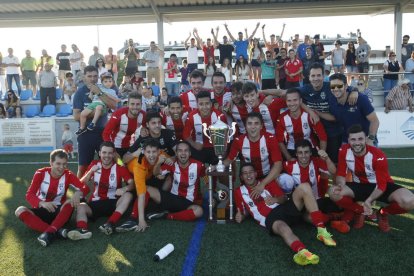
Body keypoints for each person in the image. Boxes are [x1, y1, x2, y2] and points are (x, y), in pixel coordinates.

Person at [235, 163, 336, 266]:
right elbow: (244, 210)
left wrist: (275, 199)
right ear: (241, 177)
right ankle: (303, 252)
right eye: (245, 173)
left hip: (282, 208)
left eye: (251, 172)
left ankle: (322, 230)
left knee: (305, 186)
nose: (248, 175)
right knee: (283, 227)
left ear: (256, 174)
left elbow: (283, 198)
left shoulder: (267, 182)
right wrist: (241, 216)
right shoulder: (239, 192)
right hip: (269, 218)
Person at [329, 124, 414, 232]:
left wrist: (368, 201)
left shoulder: (378, 155)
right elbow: (341, 173)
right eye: (353, 139)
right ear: (349, 140)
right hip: (359, 185)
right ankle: (360, 211)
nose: (357, 142)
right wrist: (340, 185)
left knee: (410, 201)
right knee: (333, 192)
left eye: (360, 139)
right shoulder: (343, 150)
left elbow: (381, 185)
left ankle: (383, 213)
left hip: (382, 186)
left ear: (366, 139)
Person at [15, 149, 89, 247]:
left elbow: (85, 188)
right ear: (51, 163)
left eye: (64, 164)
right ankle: (57, 231)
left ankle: (49, 232)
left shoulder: (68, 175)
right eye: (58, 163)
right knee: (19, 210)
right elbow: (29, 194)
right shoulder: (40, 173)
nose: (61, 167)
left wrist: (78, 192)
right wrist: (42, 203)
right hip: (42, 210)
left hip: (60, 213)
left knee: (69, 203)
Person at [67, 142, 134, 240]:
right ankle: (82, 230)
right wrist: (90, 172)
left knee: (128, 195)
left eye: (110, 153)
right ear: (99, 153)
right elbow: (80, 183)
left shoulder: (119, 167)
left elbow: (132, 183)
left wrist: (125, 188)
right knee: (81, 207)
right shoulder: (94, 164)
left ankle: (110, 223)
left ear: (113, 154)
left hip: (114, 203)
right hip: (96, 202)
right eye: (104, 152)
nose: (106, 156)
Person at [73, 65, 119, 178]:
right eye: (89, 76)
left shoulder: (103, 88)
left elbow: (114, 106)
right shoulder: (79, 93)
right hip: (85, 134)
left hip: (102, 133)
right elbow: (76, 116)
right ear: (84, 77)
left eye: (95, 76)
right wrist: (95, 114)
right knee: (83, 166)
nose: (92, 79)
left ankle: (108, 190)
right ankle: (80, 193)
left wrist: (99, 93)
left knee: (109, 163)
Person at [116, 139, 168, 232]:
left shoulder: (161, 154)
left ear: (159, 151)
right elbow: (141, 194)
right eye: (148, 152)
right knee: (141, 193)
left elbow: (171, 161)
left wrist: (169, 159)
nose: (151, 155)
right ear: (143, 152)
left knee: (168, 178)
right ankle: (133, 218)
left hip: (149, 176)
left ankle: (160, 206)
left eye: (154, 152)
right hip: (135, 178)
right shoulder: (139, 164)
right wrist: (141, 220)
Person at [145, 140, 204, 221]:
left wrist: (211, 195)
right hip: (172, 198)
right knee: (145, 188)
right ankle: (133, 218)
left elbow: (206, 177)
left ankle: (167, 216)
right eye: (180, 150)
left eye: (186, 150)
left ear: (190, 153)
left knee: (199, 211)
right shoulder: (172, 163)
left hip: (188, 202)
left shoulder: (198, 165)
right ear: (176, 153)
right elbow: (156, 173)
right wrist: (158, 163)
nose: (183, 153)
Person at [224, 112, 283, 194]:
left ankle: (286, 199)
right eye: (249, 124)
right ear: (245, 126)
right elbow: (230, 159)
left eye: (256, 123)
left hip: (268, 175)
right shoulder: (239, 141)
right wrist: (216, 166)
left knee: (285, 180)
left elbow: (278, 165)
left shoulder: (270, 139)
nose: (253, 127)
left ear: (261, 126)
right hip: (250, 178)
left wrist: (262, 184)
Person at [276, 88, 327, 161]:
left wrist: (322, 154)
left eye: (295, 100)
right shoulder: (281, 118)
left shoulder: (310, 116)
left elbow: (323, 137)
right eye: (289, 101)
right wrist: (289, 158)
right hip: (291, 149)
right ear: (286, 102)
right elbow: (280, 141)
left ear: (300, 101)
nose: (292, 103)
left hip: (310, 147)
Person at [329, 73, 379, 146]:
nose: (336, 89)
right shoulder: (331, 100)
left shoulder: (361, 99)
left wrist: (370, 139)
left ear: (346, 86)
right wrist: (314, 112)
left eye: (339, 86)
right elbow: (333, 118)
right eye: (333, 86)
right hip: (346, 141)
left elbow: (375, 121)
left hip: (365, 141)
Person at [183, 90, 226, 164]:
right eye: (201, 104)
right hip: (199, 147)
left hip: (214, 148)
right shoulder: (191, 117)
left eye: (207, 103)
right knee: (197, 169)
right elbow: (186, 135)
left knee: (219, 169)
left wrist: (222, 150)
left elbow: (226, 136)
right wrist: (194, 144)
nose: (204, 107)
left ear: (211, 104)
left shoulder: (219, 116)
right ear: (197, 105)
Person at [102, 92, 146, 157]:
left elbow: (149, 127)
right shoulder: (118, 114)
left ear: (141, 105)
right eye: (132, 104)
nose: (135, 107)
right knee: (119, 164)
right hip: (116, 146)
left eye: (138, 104)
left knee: (130, 165)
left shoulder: (143, 115)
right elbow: (106, 133)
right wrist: (112, 150)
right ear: (128, 104)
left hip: (132, 146)